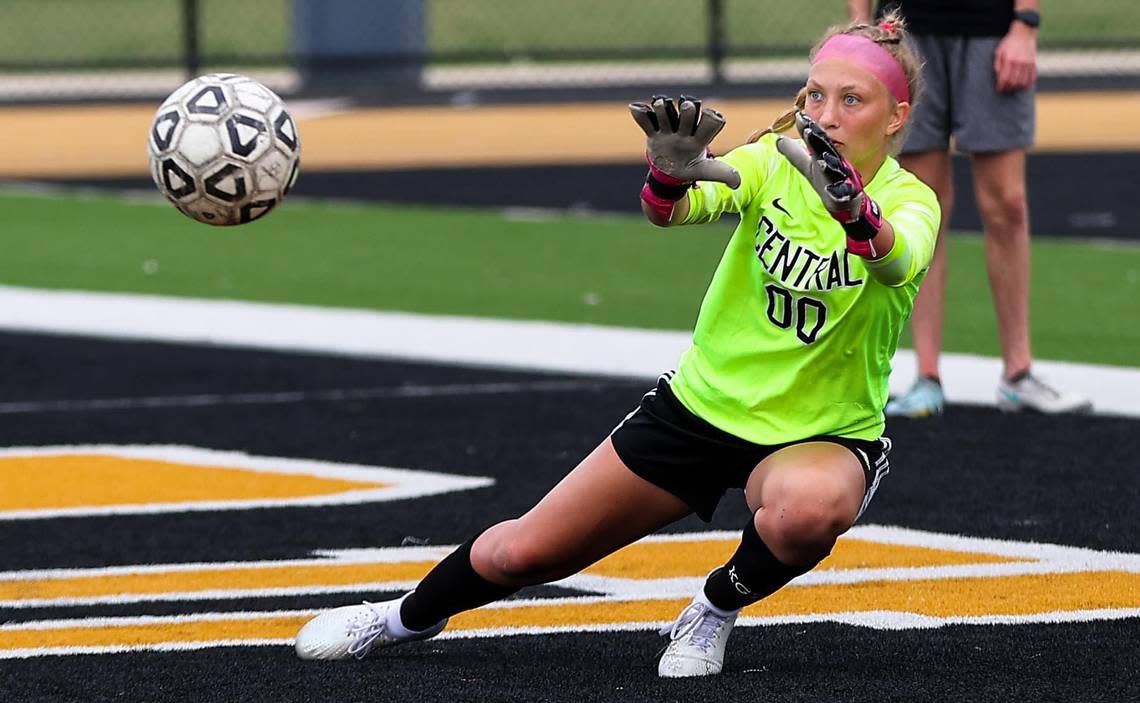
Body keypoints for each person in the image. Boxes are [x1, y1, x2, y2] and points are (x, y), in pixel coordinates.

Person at [294, 13, 939, 678]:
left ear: (896, 117)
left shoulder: (910, 199)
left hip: (820, 434)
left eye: (852, 99)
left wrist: (855, 214)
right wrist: (669, 172)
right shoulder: (773, 164)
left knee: (807, 512)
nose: (827, 114)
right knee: (521, 554)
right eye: (815, 94)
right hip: (699, 410)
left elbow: (898, 258)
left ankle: (715, 605)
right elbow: (678, 207)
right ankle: (401, 616)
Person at [848, 0, 1091, 417]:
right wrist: (859, 22)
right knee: (922, 205)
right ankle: (926, 378)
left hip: (993, 29)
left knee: (1007, 204)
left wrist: (1025, 24)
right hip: (906, 29)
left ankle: (1018, 374)